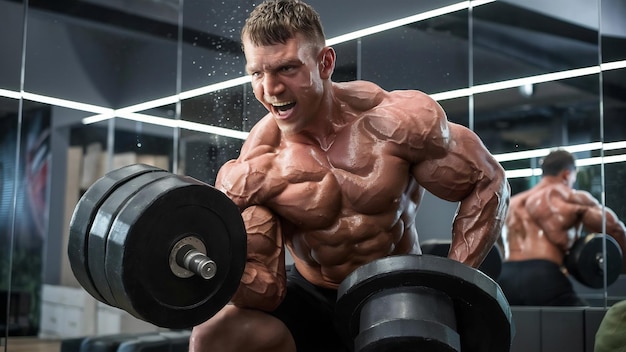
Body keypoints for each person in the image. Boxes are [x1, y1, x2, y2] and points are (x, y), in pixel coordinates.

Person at [189, 1, 510, 351]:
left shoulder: (397, 122)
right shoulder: (256, 167)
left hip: (396, 288)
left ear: (325, 63)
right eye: (256, 73)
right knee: (213, 336)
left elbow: (487, 182)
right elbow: (266, 288)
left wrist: (452, 283)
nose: (271, 89)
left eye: (287, 69)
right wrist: (212, 270)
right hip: (312, 296)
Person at [497, 149, 626, 306]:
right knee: (589, 325)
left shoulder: (514, 203)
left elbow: (498, 242)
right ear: (567, 174)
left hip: (505, 275)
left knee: (520, 328)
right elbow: (615, 229)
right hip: (543, 276)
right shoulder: (570, 197)